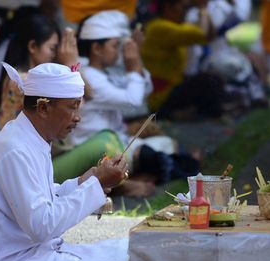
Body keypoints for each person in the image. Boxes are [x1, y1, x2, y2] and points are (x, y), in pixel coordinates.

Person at [0, 62, 142, 261]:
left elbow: (42, 198)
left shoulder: (30, 138)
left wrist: (86, 181)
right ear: (44, 107)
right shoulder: (14, 149)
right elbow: (42, 224)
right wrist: (94, 186)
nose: (78, 117)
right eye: (72, 107)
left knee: (132, 253)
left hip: (35, 260)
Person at [74, 10, 200, 189]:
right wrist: (133, 65)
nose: (119, 52)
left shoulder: (103, 72)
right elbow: (133, 100)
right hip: (98, 148)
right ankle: (132, 182)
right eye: (115, 46)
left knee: (170, 145)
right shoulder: (90, 77)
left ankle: (142, 175)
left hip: (117, 140)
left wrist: (136, 62)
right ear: (96, 49)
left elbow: (144, 89)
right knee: (158, 158)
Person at [142, 0, 228, 119]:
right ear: (168, 7)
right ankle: (170, 113)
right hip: (161, 95)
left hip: (172, 87)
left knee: (214, 80)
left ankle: (190, 112)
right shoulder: (159, 27)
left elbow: (209, 36)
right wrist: (202, 9)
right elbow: (202, 33)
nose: (185, 12)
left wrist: (202, 10)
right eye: (183, 8)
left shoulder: (174, 26)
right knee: (209, 81)